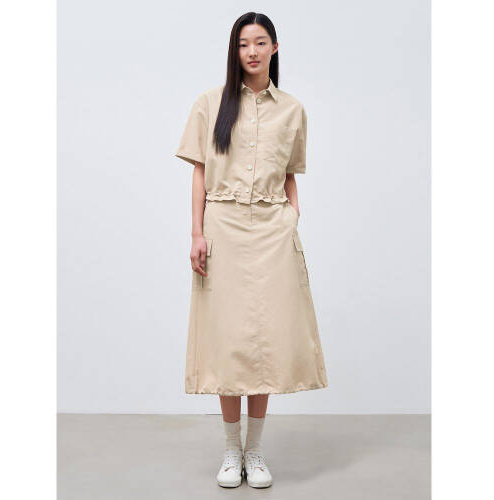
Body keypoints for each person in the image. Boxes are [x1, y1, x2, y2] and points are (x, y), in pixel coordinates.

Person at [174, 11, 328, 489]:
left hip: (272, 232)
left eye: (261, 42)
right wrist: (197, 233)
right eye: (244, 44)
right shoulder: (210, 103)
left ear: (275, 48)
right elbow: (200, 172)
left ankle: (255, 452)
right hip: (223, 227)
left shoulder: (293, 110)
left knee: (265, 340)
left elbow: (290, 174)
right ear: (234, 50)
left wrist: (291, 217)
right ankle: (230, 450)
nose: (252, 52)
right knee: (228, 341)